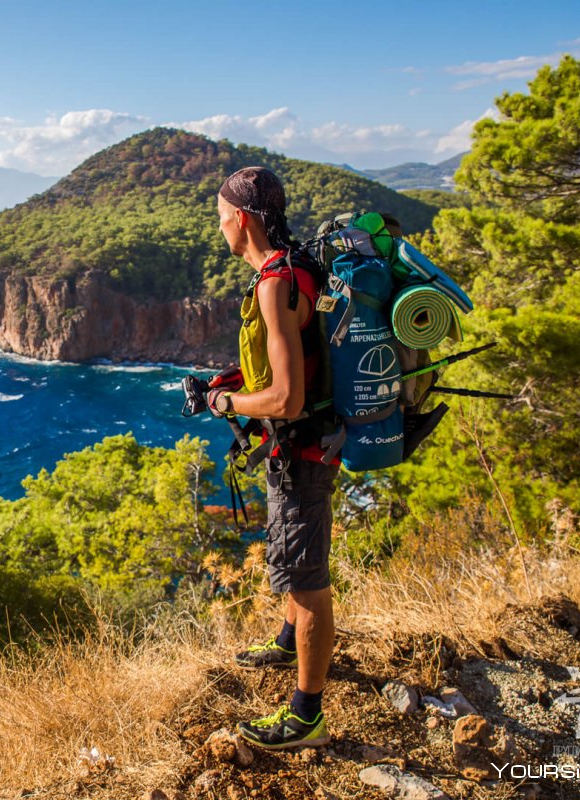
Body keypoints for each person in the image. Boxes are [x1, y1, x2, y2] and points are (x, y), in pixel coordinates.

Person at [207, 166, 338, 750]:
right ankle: (288, 643)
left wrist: (227, 401)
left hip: (303, 448)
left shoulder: (272, 283)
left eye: (220, 216)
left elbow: (286, 398)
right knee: (291, 552)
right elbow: (297, 356)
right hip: (312, 441)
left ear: (241, 219)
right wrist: (231, 380)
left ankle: (306, 717)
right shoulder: (296, 265)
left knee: (306, 578)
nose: (220, 228)